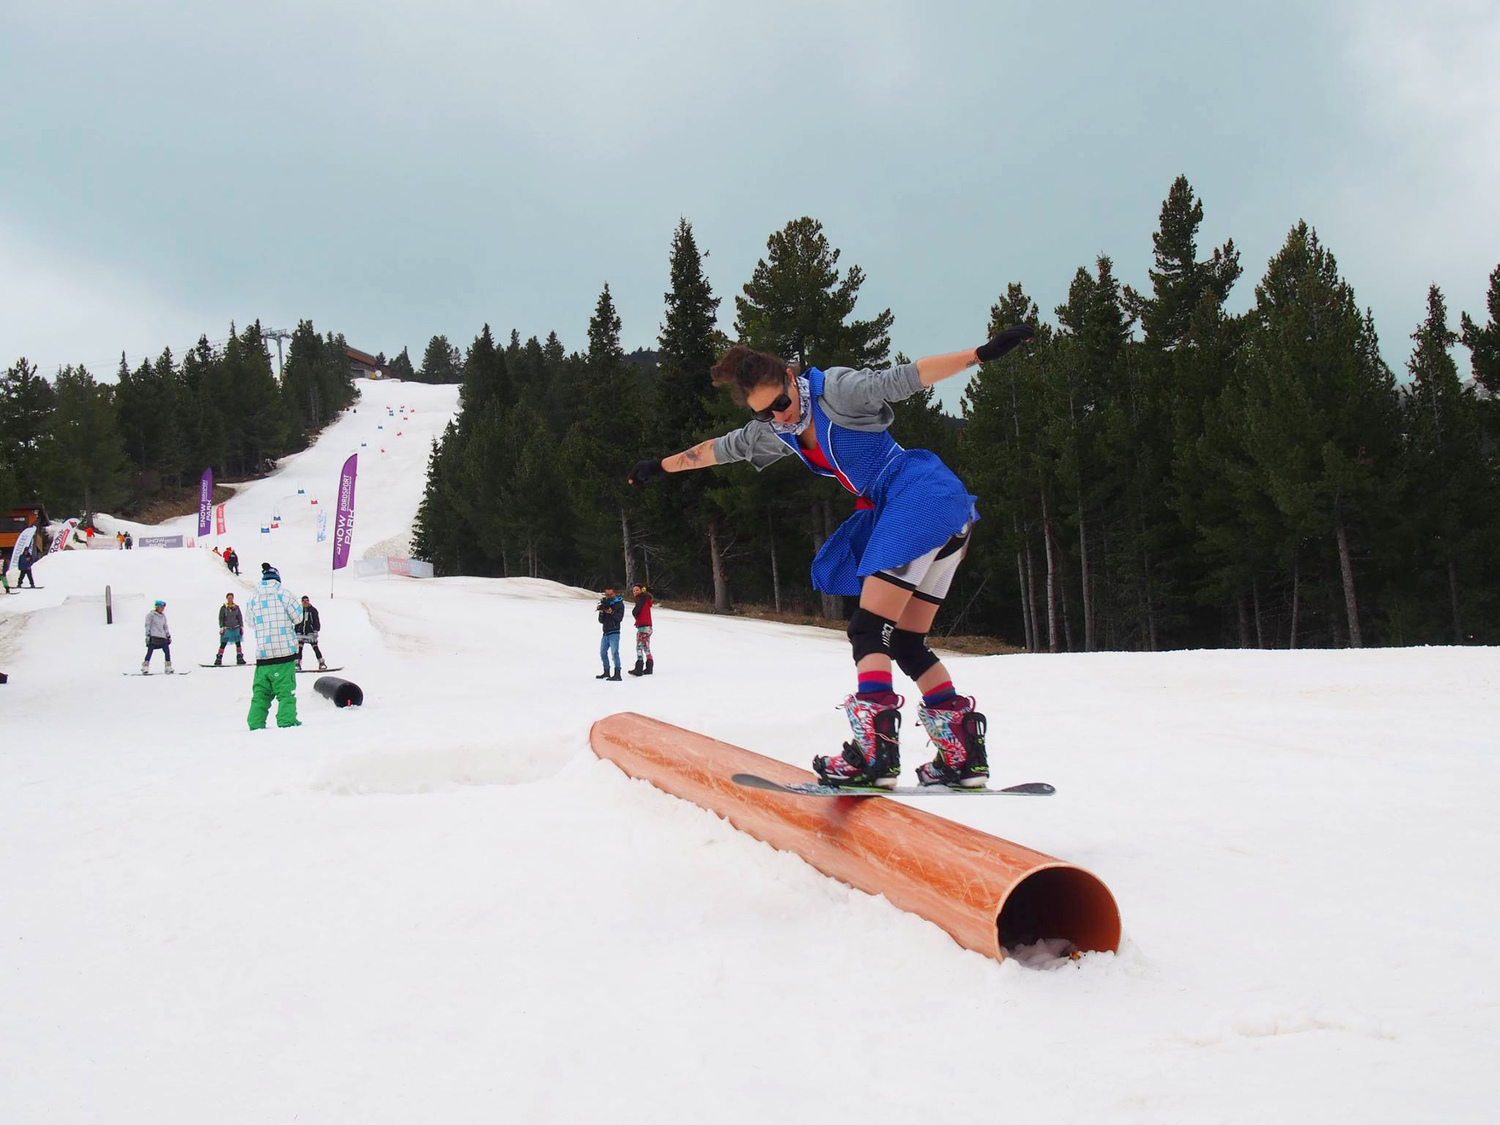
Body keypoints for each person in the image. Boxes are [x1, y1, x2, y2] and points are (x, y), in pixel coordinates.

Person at [628, 326, 1034, 789]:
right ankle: (964, 757)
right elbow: (718, 450)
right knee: (904, 642)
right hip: (941, 511)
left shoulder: (835, 391)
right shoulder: (778, 432)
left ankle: (874, 756)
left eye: (780, 403)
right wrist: (658, 467)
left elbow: (906, 377)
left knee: (866, 629)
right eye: (764, 414)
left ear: (789, 376)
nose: (778, 416)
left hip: (916, 495)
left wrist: (980, 354)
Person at [245, 562, 304, 729]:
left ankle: (255, 723)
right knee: (286, 692)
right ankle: (287, 721)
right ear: (277, 579)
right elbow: (298, 617)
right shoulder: (283, 594)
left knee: (260, 693)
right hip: (284, 654)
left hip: (263, 655)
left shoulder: (253, 598)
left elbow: (250, 622)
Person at [596, 587, 624, 680]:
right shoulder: (605, 603)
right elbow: (601, 620)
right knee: (603, 653)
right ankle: (606, 671)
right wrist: (601, 611)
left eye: (610, 595)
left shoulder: (619, 604)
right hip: (605, 632)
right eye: (607, 595)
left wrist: (611, 612)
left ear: (615, 593)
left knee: (615, 653)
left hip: (614, 632)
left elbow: (619, 619)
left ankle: (617, 673)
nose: (608, 597)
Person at [626, 584, 654, 676]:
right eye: (634, 591)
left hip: (643, 627)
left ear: (642, 590)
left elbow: (636, 611)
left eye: (637, 590)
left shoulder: (640, 599)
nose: (635, 592)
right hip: (649, 627)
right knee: (646, 647)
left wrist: (635, 614)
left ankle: (639, 668)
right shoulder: (646, 599)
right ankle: (649, 667)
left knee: (639, 647)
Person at [295, 595, 327, 671]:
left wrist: (316, 630)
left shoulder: (313, 610)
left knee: (315, 647)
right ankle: (297, 663)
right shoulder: (299, 610)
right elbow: (296, 621)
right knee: (299, 648)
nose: (305, 602)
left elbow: (316, 621)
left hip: (310, 632)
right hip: (301, 632)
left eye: (307, 601)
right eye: (303, 601)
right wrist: (295, 630)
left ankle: (321, 662)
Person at [214, 592, 246, 666]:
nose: (230, 599)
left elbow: (239, 617)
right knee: (223, 643)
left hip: (236, 628)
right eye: (229, 598)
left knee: (238, 643)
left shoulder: (236, 607)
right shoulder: (223, 608)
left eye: (231, 598)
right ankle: (219, 658)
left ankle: (239, 657)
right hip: (227, 628)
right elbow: (221, 618)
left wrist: (241, 626)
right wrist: (221, 627)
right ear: (227, 598)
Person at [143, 599, 173, 674]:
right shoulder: (151, 615)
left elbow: (165, 626)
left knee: (167, 651)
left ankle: (168, 666)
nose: (162, 609)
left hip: (162, 636)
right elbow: (147, 624)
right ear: (157, 607)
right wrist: (148, 634)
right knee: (150, 651)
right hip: (153, 636)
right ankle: (145, 666)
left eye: (163, 607)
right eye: (161, 607)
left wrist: (167, 634)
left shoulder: (163, 616)